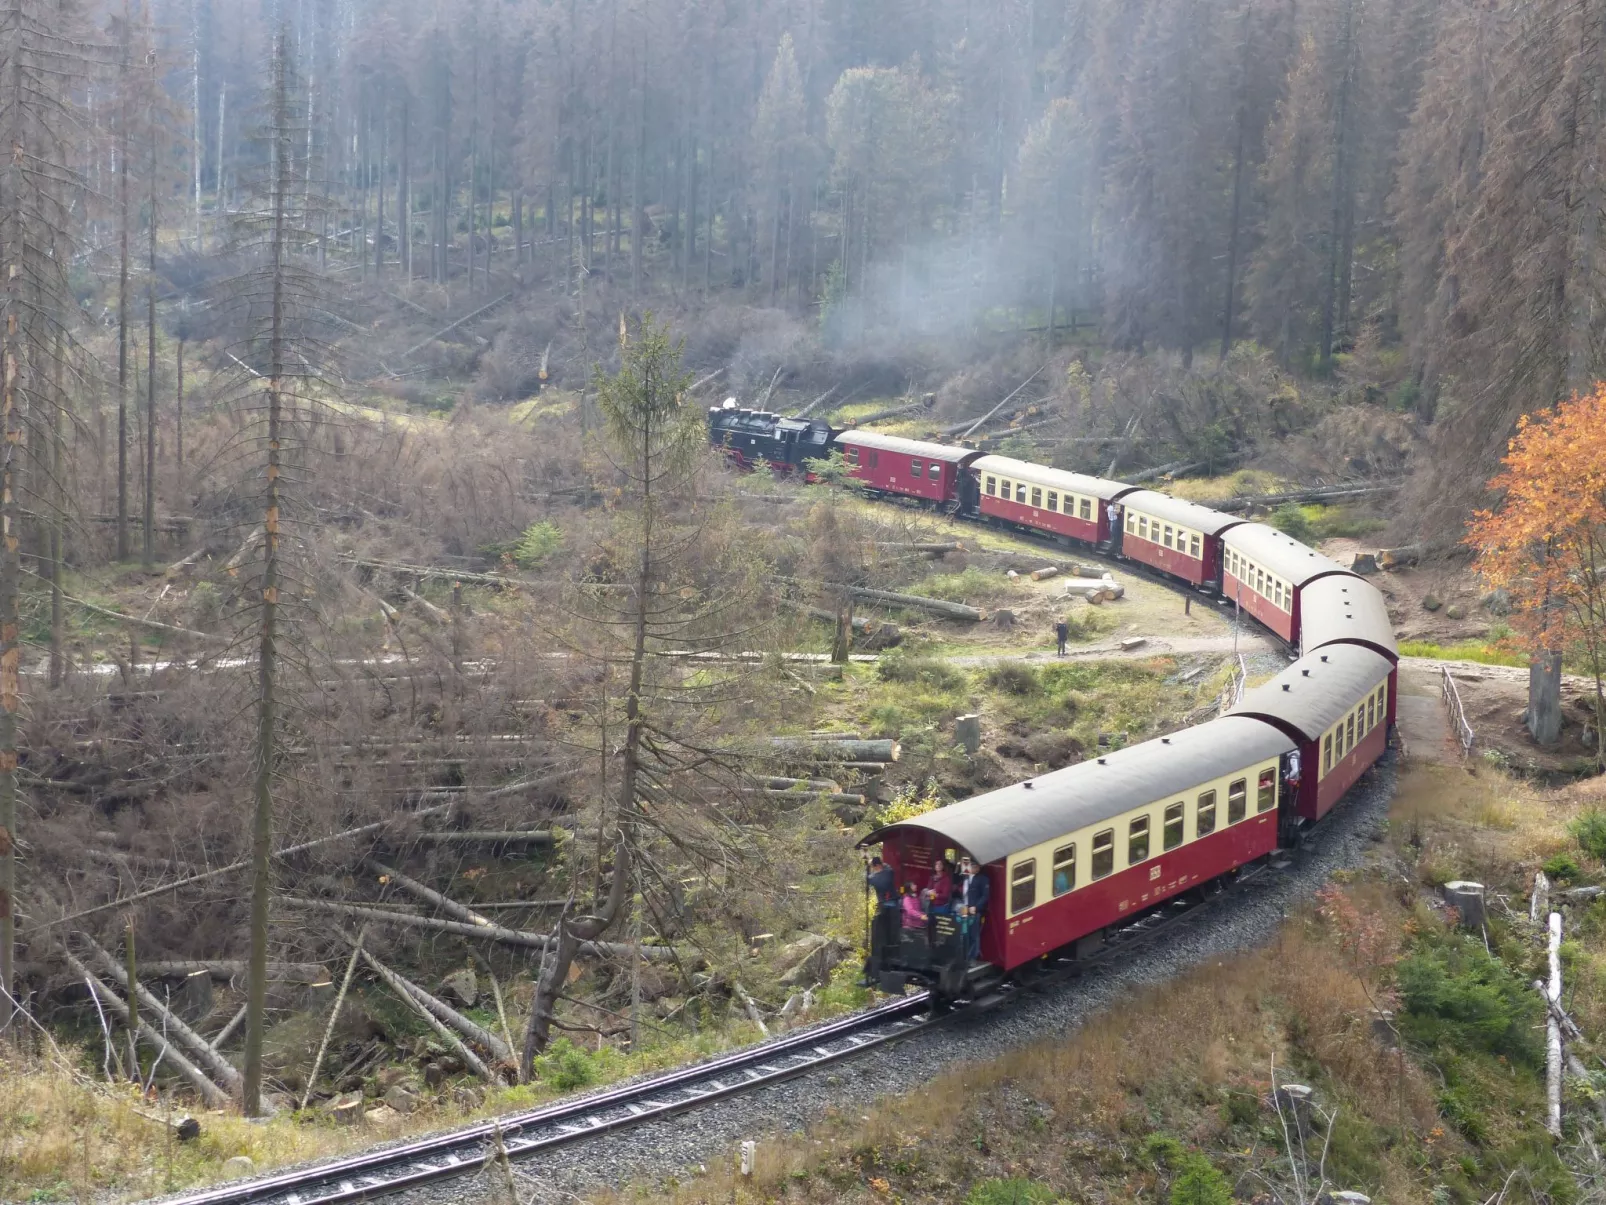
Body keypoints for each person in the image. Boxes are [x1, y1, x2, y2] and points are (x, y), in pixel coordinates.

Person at [958, 856, 990, 962]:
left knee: (974, 934)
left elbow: (985, 896)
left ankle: (973, 956)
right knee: (964, 932)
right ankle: (965, 955)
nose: (973, 868)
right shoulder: (966, 877)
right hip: (964, 908)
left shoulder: (983, 879)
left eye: (975, 866)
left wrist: (976, 907)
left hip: (974, 910)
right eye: (971, 866)